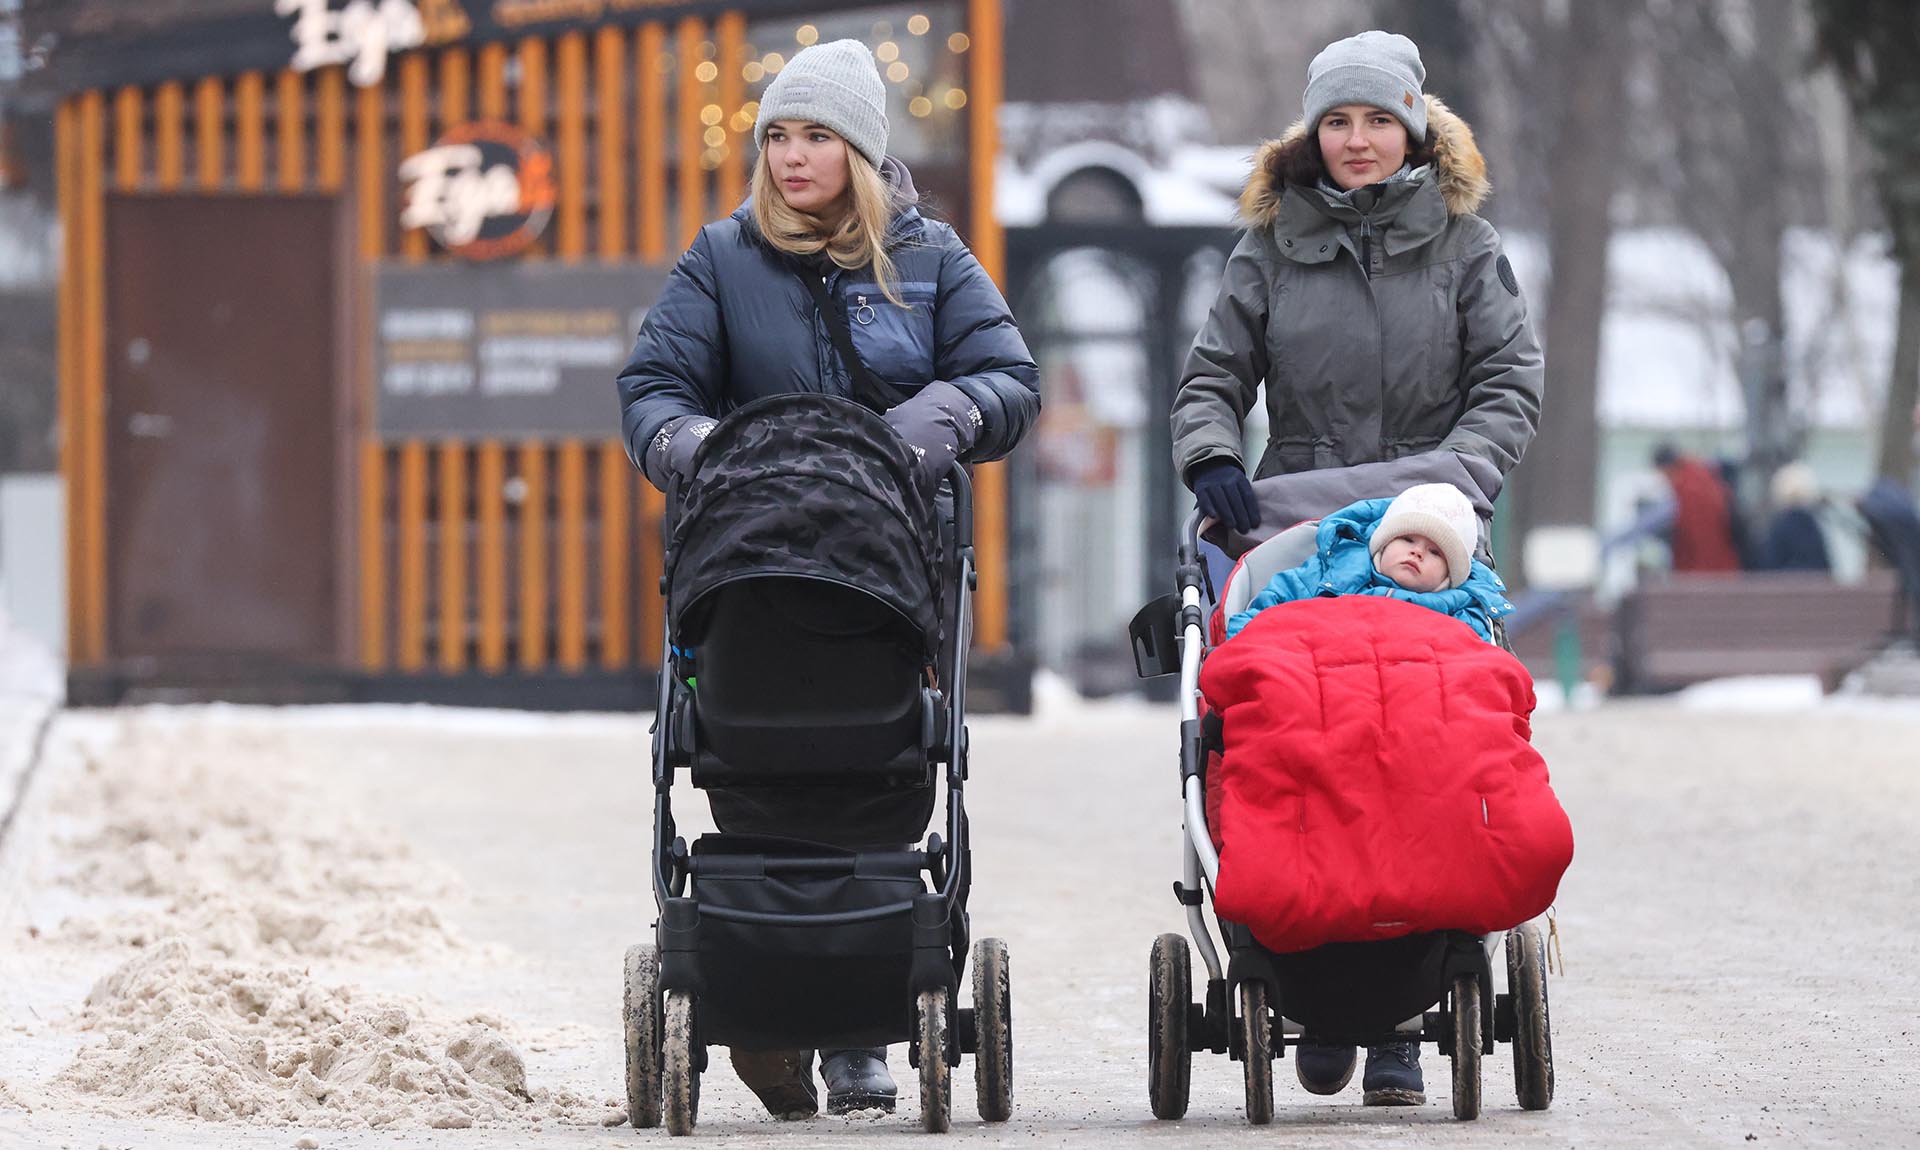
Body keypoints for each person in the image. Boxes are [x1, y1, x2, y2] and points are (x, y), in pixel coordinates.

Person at [615, 38, 1039, 1119]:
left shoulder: (932, 257)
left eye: (817, 138)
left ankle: (853, 1026)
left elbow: (1006, 379)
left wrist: (935, 421)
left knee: (877, 749)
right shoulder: (723, 257)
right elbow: (654, 386)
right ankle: (766, 991)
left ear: (861, 151)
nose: (793, 157)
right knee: (755, 744)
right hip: (751, 551)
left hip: (889, 556)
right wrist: (698, 447)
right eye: (780, 137)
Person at [1170, 29, 1544, 1105]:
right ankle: (1306, 981)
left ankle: (1397, 1016)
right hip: (1298, 540)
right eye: (1338, 121)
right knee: (1309, 743)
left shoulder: (1467, 247)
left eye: (1379, 119)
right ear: (1312, 133)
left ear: (1416, 124)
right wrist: (1212, 462)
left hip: (1427, 530)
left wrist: (1462, 479)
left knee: (1423, 750)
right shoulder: (1269, 249)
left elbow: (1509, 380)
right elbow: (1210, 381)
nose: (1359, 140)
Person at [1224, 482, 1514, 642]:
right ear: (1382, 543)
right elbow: (1265, 615)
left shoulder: (1462, 612)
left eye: (1436, 553)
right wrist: (1238, 646)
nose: (1417, 553)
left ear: (1450, 577)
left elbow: (1480, 673)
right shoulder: (1329, 574)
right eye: (1407, 540)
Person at [1652, 444, 1742, 573]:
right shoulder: (1701, 478)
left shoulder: (1689, 489)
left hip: (1707, 571)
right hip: (1720, 566)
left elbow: (1700, 541)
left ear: (1666, 468)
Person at [1758, 461, 1832, 572]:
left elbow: (1770, 565)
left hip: (1783, 586)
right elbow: (1824, 566)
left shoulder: (1778, 526)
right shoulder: (1812, 526)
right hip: (1812, 585)